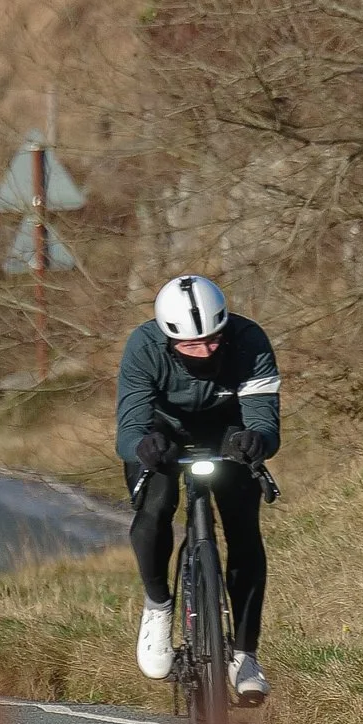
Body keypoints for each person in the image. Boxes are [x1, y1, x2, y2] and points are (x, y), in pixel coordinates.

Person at [115, 272, 280, 700]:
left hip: (228, 432)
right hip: (162, 435)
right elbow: (128, 430)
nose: (205, 351)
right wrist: (143, 446)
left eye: (212, 340)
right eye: (191, 345)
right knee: (155, 508)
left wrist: (256, 440)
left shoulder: (249, 340)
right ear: (168, 340)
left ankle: (245, 655)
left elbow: (264, 419)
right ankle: (157, 606)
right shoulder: (143, 347)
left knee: (244, 530)